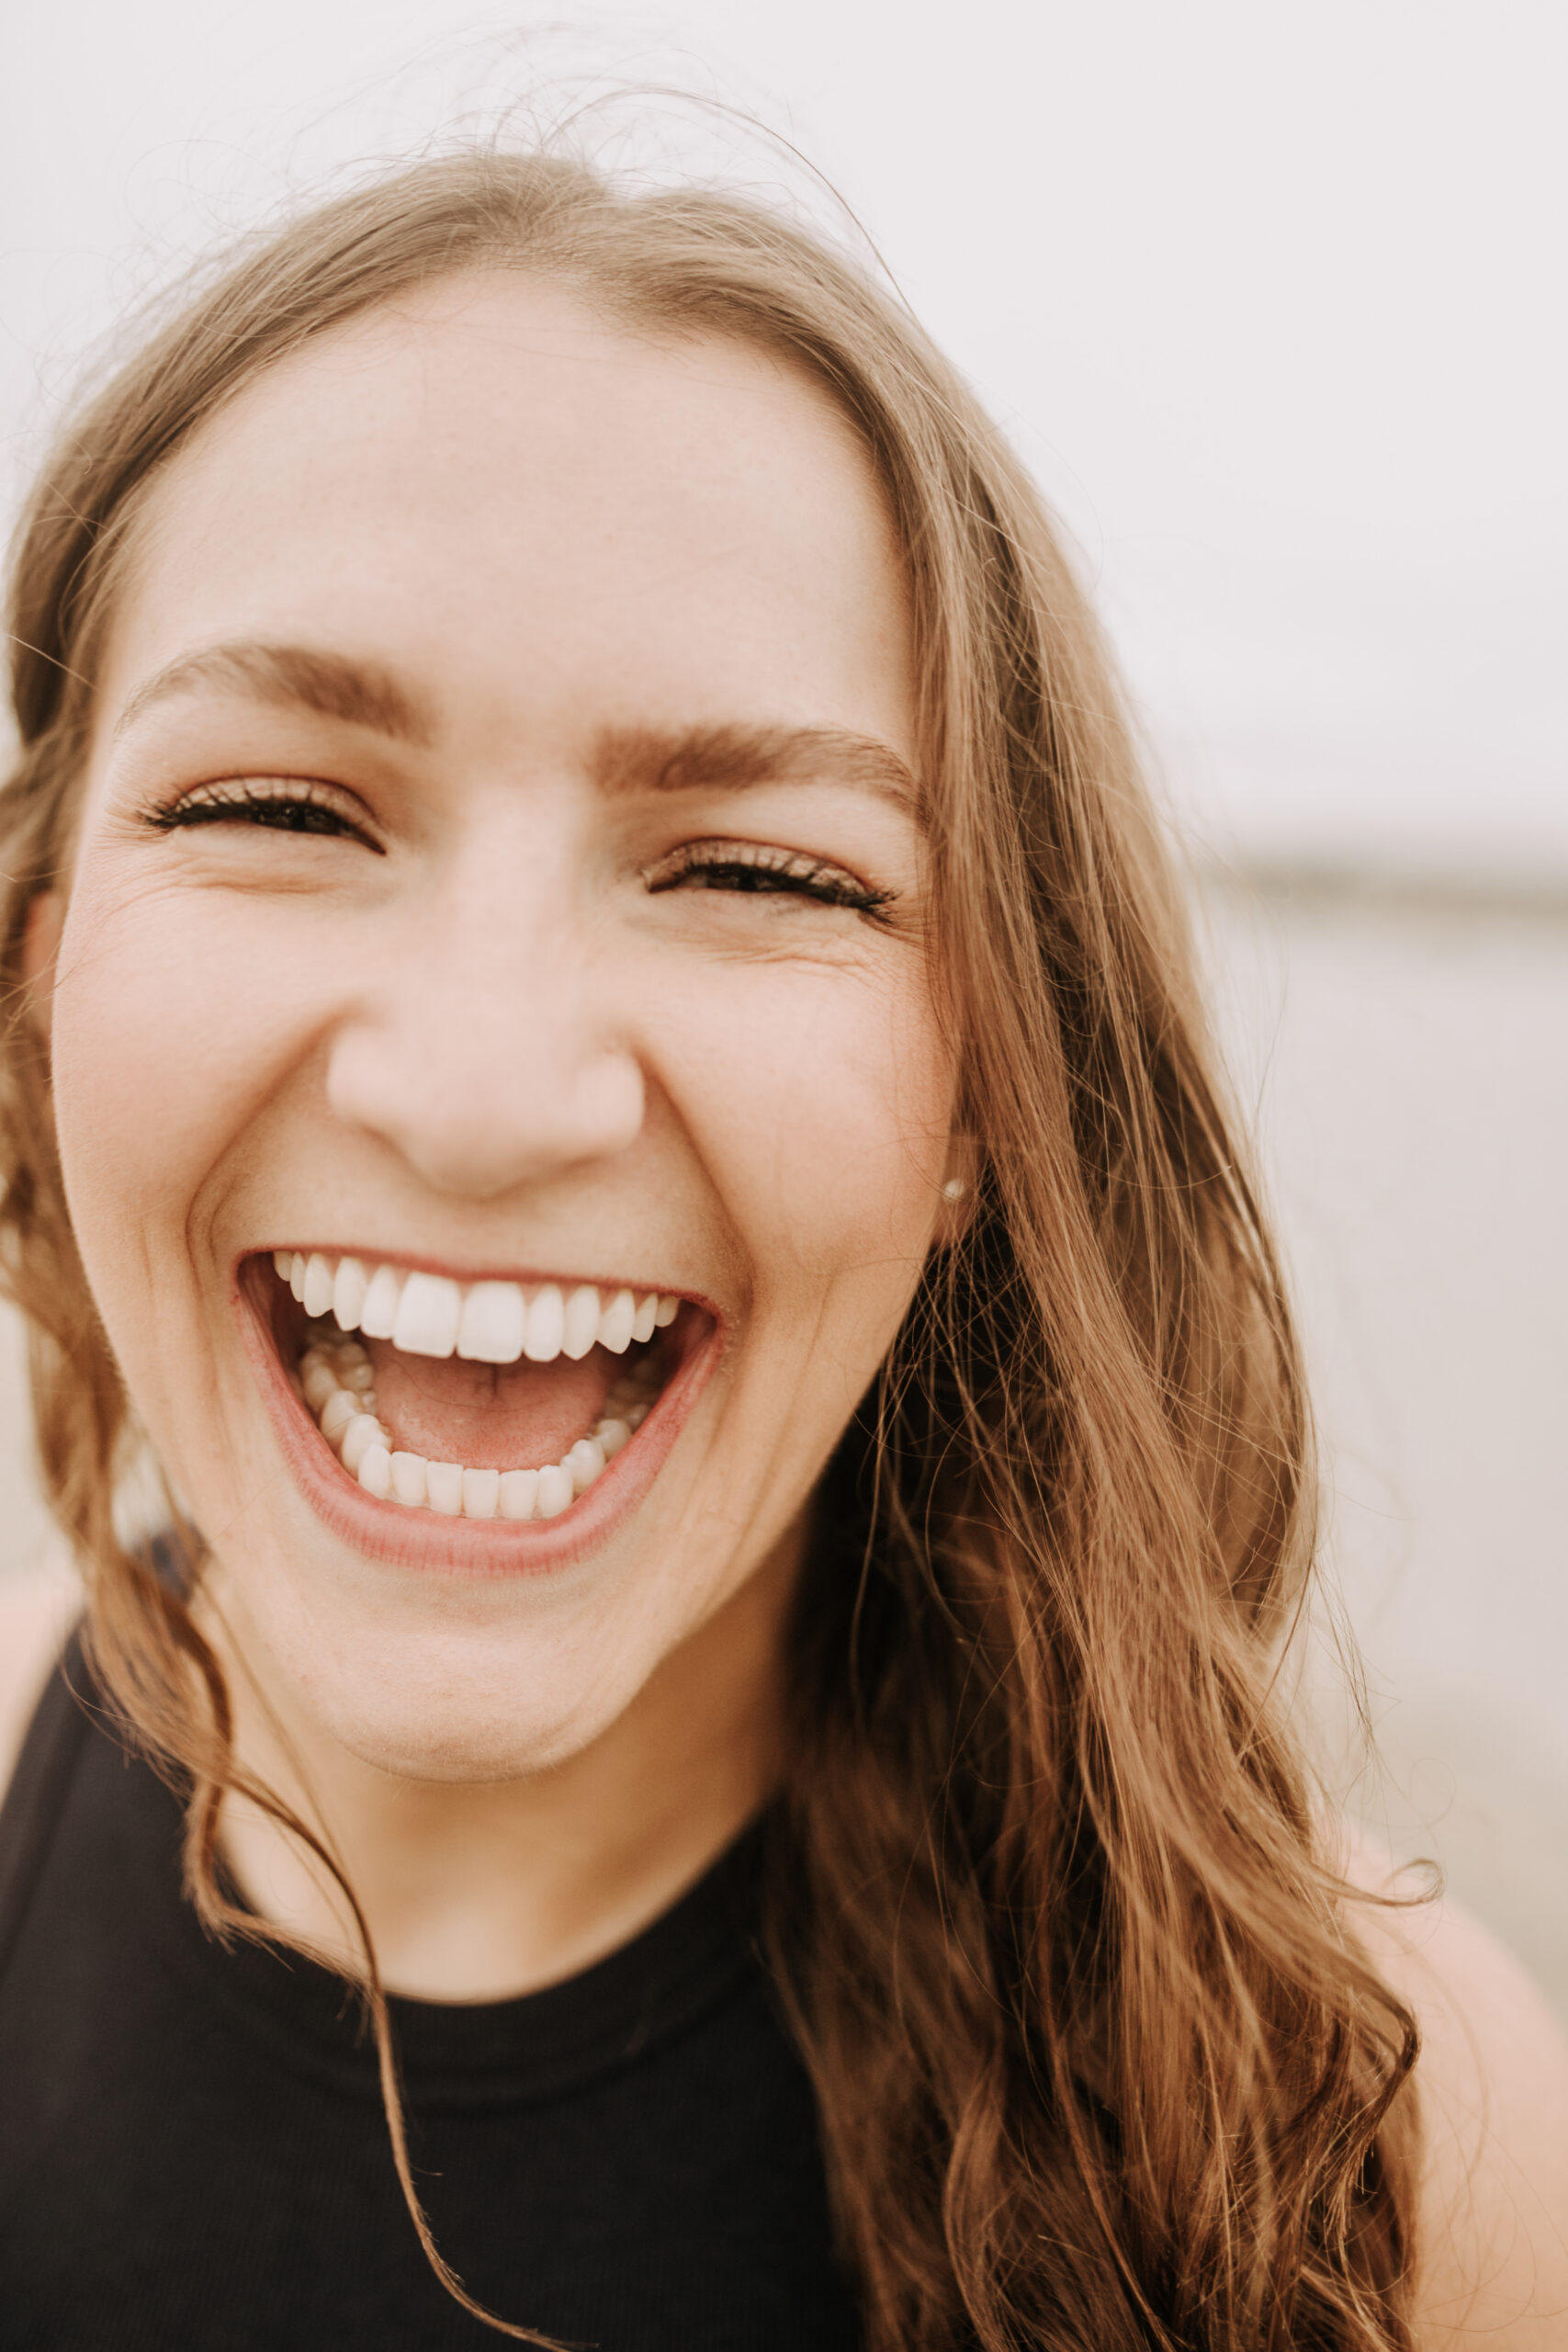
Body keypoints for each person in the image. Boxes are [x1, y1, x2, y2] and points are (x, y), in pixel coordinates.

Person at [0, 145, 1562, 2352]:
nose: (482, 1088)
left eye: (762, 870)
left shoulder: (1378, 2126)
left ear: (974, 1104)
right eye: (275, 809)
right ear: (45, 977)